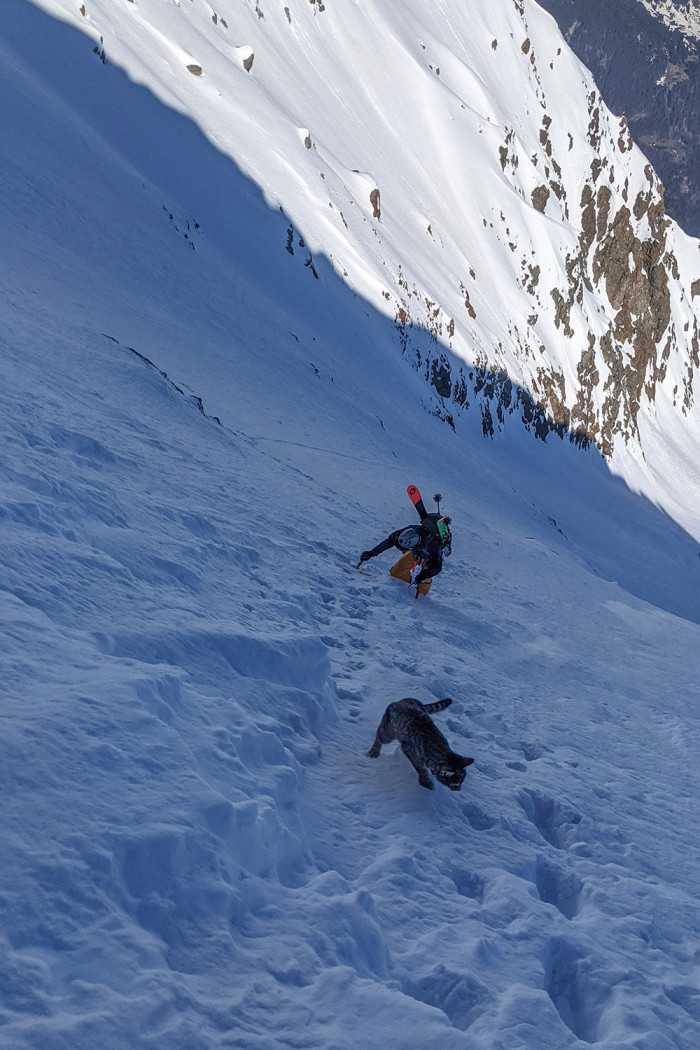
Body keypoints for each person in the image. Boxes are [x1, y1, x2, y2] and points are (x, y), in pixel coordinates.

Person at [356, 513, 452, 598]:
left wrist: (423, 576)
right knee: (395, 574)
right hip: (415, 551)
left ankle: (421, 591)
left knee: (422, 586)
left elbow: (436, 567)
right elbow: (389, 541)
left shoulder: (434, 545)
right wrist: (372, 553)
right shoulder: (409, 531)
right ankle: (406, 581)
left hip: (429, 557)